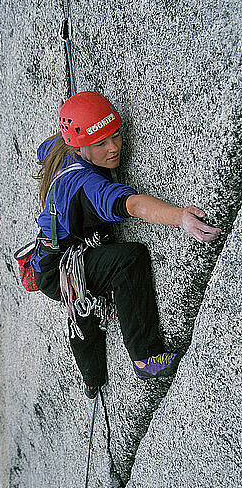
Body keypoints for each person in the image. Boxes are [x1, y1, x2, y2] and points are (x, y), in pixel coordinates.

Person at [30, 91, 221, 399]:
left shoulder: (60, 148)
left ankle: (92, 381)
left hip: (53, 256)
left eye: (115, 135)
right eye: (101, 144)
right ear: (79, 146)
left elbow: (45, 148)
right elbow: (132, 205)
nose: (114, 148)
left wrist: (82, 125)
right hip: (58, 270)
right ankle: (146, 358)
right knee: (127, 261)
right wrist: (179, 217)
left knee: (85, 313)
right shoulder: (88, 186)